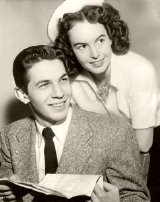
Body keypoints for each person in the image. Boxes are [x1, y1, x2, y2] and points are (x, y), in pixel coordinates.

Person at [0, 45, 149, 202]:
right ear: (23, 95)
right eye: (44, 84)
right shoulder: (9, 136)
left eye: (63, 80)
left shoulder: (115, 130)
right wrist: (7, 196)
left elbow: (136, 196)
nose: (60, 93)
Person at [47, 0, 160, 154]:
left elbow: (143, 145)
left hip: (151, 152)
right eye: (82, 46)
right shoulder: (69, 79)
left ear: (111, 36)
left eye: (100, 40)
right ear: (69, 49)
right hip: (103, 154)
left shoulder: (139, 70)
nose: (95, 54)